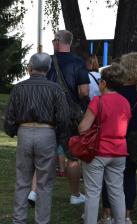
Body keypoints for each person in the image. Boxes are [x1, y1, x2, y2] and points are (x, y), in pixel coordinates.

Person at [4, 53, 69, 224]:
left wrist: (14, 131)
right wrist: (59, 137)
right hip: (47, 133)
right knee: (44, 182)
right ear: (48, 69)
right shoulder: (55, 89)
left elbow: (10, 116)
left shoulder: (18, 88)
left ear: (30, 67)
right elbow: (63, 117)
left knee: (22, 179)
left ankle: (18, 222)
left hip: (24, 132)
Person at [71, 63, 131, 224]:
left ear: (104, 83)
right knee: (117, 190)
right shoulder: (125, 102)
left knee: (93, 191)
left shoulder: (98, 101)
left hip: (98, 151)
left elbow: (83, 128)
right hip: (119, 151)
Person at [98, 53, 137, 224]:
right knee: (129, 177)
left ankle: (106, 216)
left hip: (116, 136)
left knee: (109, 176)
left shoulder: (117, 91)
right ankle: (127, 217)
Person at [47, 30, 90, 205]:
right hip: (71, 116)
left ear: (57, 42)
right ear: (69, 43)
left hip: (49, 114)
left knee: (46, 155)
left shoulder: (47, 61)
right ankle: (75, 194)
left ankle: (39, 191)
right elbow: (84, 91)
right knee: (73, 157)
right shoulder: (78, 62)